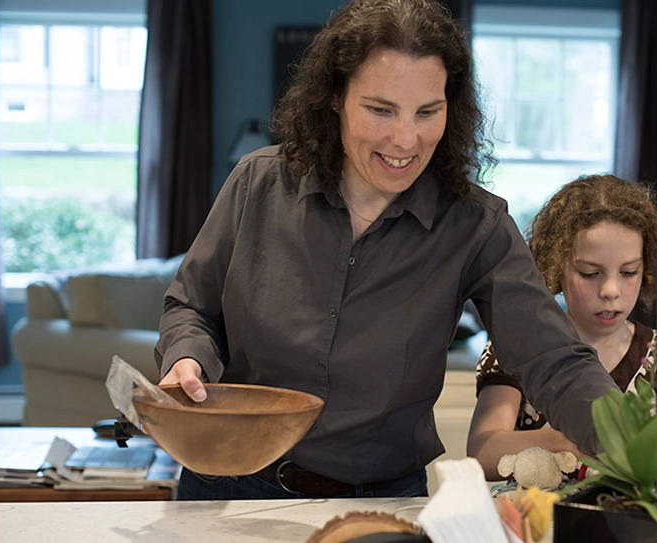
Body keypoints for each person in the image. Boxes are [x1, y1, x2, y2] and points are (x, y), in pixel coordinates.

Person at [155, 0, 621, 501]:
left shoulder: (476, 226)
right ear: (335, 97)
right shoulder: (256, 184)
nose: (405, 139)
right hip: (225, 485)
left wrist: (635, 441)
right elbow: (191, 308)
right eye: (380, 109)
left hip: (377, 500)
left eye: (428, 112)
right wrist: (186, 359)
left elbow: (552, 357)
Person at [467, 174, 657, 489]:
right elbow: (481, 452)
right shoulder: (518, 350)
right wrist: (580, 438)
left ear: (648, 270)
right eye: (589, 273)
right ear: (556, 266)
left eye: (628, 272)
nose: (610, 290)